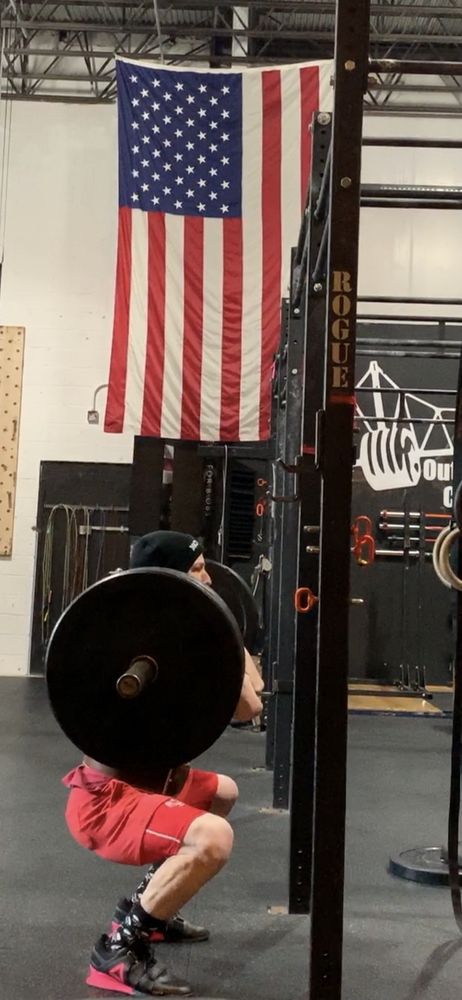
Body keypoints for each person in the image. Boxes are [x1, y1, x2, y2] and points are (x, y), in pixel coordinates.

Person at [62, 531, 263, 997]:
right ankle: (117, 952)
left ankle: (150, 909)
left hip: (155, 782)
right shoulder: (144, 640)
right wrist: (217, 628)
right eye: (197, 570)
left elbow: (251, 702)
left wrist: (220, 626)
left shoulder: (182, 634)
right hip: (106, 804)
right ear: (170, 580)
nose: (208, 578)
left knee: (223, 793)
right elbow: (250, 706)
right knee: (213, 839)